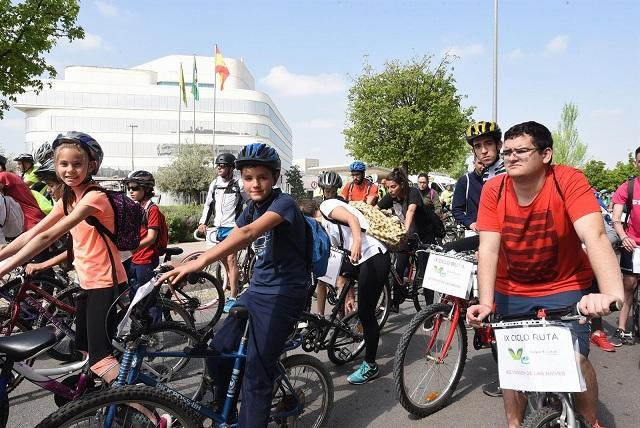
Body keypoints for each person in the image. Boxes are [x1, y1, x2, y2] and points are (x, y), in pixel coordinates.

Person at [467, 121, 624, 428]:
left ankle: (590, 419)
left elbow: (595, 237)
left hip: (565, 285)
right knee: (514, 365)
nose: (511, 157)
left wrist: (610, 294)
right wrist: (485, 303)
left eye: (521, 150)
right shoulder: (493, 190)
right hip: (511, 289)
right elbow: (487, 249)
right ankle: (515, 424)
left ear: (546, 154)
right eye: (508, 151)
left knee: (576, 360)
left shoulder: (568, 180)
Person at [158, 142, 309, 426]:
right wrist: (190, 259)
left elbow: (249, 233)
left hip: (286, 293)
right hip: (258, 290)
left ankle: (256, 401)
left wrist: (200, 264)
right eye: (248, 177)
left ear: (275, 178)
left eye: (262, 177)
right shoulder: (251, 207)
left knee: (255, 373)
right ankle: (228, 407)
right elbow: (231, 240)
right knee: (217, 350)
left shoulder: (284, 204)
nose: (254, 184)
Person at [0, 131, 128, 388]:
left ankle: (152, 412)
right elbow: (33, 233)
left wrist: (4, 267)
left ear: (91, 165)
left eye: (77, 164)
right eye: (64, 164)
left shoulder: (94, 198)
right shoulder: (68, 197)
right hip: (87, 282)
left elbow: (47, 236)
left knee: (101, 359)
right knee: (82, 349)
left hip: (105, 284)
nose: (70, 170)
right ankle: (97, 399)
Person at [301, 188, 390, 385]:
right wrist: (348, 293)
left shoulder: (327, 206)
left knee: (366, 313)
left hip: (373, 256)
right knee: (324, 275)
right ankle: (334, 320)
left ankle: (371, 365)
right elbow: (338, 261)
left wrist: (357, 241)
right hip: (356, 260)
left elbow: (352, 219)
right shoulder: (322, 230)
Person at [378, 167, 435, 312]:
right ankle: (395, 302)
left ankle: (429, 310)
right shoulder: (391, 196)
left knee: (424, 272)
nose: (390, 190)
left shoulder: (413, 192)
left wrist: (403, 233)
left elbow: (410, 211)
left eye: (393, 187)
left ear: (402, 185)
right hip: (408, 235)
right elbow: (375, 209)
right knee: (397, 268)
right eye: (388, 187)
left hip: (423, 235)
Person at [198, 152, 246, 313]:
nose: (219, 167)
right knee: (223, 261)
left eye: (223, 165)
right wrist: (202, 222)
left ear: (231, 168)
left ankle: (233, 297)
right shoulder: (215, 184)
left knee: (231, 259)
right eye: (218, 165)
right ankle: (232, 285)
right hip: (219, 227)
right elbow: (208, 205)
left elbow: (249, 203)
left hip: (233, 227)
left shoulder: (238, 184)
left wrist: (248, 222)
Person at [610, 147, 640, 345]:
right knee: (628, 286)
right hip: (633, 244)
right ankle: (621, 329)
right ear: (636, 163)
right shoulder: (627, 187)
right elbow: (616, 218)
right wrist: (623, 237)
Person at [125, 170, 164, 321]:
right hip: (133, 259)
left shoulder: (152, 209)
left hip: (145, 259)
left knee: (149, 299)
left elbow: (151, 237)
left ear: (146, 189)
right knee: (134, 297)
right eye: (129, 188)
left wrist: (132, 249)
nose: (131, 191)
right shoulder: (136, 207)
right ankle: (138, 332)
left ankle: (155, 334)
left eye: (135, 188)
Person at [312, 171, 345, 317]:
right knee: (321, 282)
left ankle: (342, 315)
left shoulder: (342, 202)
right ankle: (320, 315)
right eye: (327, 190)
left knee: (341, 281)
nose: (330, 193)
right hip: (324, 245)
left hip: (339, 245)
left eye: (332, 190)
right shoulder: (317, 202)